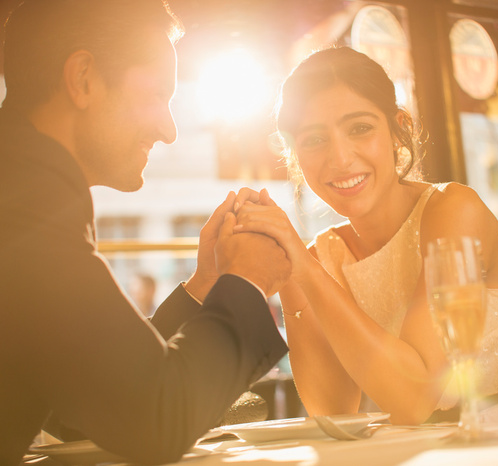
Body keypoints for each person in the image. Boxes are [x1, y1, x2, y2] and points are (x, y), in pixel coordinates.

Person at [0, 1, 290, 464]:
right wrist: (248, 282)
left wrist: (206, 286)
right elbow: (155, 419)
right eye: (157, 95)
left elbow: (86, 405)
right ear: (84, 79)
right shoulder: (25, 200)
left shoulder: (22, 178)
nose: (170, 130)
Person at [232, 47, 498, 426]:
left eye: (360, 128)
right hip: (416, 448)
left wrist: (304, 267)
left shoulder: (454, 210)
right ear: (295, 155)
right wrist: (291, 269)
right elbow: (331, 411)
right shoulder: (320, 258)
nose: (340, 158)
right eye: (314, 140)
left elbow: (416, 399)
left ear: (398, 129)